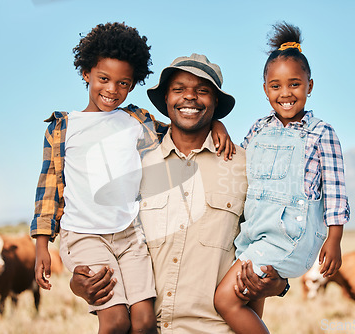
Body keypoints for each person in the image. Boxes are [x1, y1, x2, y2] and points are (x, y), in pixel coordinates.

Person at [30, 23, 232, 334]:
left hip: (128, 235)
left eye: (123, 83)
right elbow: (48, 187)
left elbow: (183, 125)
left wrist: (216, 124)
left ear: (133, 83)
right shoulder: (63, 128)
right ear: (86, 73)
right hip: (84, 234)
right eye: (104, 79)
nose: (112, 90)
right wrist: (42, 244)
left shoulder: (136, 121)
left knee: (145, 321)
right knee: (114, 322)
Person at [69, 53, 289, 333]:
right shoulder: (135, 165)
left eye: (202, 91)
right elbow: (102, 232)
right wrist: (78, 283)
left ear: (216, 102)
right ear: (166, 101)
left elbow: (273, 239)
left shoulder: (246, 167)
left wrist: (278, 284)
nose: (190, 98)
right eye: (179, 90)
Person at [214, 22, 351, 334]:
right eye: (276, 86)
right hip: (256, 232)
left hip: (289, 238)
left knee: (225, 301)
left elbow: (336, 189)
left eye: (294, 84)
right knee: (249, 303)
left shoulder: (321, 133)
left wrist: (335, 238)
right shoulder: (258, 129)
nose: (285, 94)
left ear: (309, 86)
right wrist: (217, 127)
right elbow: (237, 164)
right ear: (265, 89)